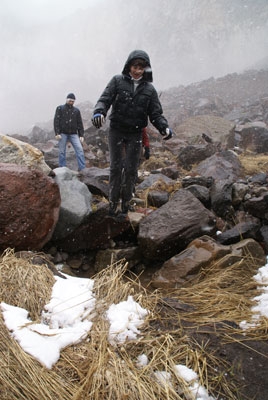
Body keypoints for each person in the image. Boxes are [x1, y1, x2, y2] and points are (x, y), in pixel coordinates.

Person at [92, 49, 173, 220]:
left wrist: (164, 128)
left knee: (130, 169)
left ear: (146, 70)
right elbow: (104, 99)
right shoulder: (117, 81)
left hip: (135, 133)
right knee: (115, 168)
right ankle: (113, 204)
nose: (137, 71)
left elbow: (156, 114)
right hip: (116, 130)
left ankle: (126, 204)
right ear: (129, 66)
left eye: (141, 68)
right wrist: (99, 112)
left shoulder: (149, 90)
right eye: (135, 66)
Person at [54, 93, 86, 172]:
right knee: (62, 151)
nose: (71, 102)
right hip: (63, 133)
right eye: (70, 101)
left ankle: (82, 168)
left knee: (80, 150)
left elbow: (79, 123)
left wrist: (81, 134)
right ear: (67, 100)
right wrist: (57, 133)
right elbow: (56, 121)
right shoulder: (60, 109)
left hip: (73, 134)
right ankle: (62, 168)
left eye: (73, 101)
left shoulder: (76, 111)